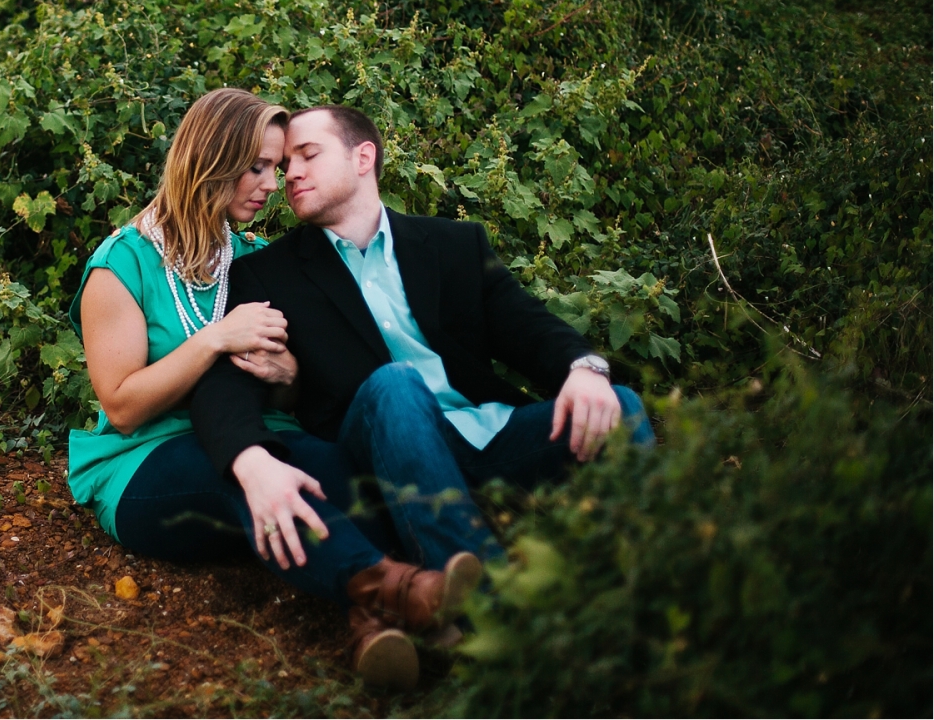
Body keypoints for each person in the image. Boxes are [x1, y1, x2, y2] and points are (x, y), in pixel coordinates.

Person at [69, 89, 480, 691]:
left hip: (261, 434)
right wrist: (215, 340)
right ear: (210, 159)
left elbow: (289, 397)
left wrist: (287, 377)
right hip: (145, 462)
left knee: (333, 468)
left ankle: (374, 614)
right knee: (245, 472)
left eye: (278, 166)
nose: (273, 183)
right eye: (257, 166)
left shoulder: (255, 259)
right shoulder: (120, 266)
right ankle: (404, 594)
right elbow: (122, 406)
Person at [190, 105, 655, 608]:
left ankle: (658, 585)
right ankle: (489, 612)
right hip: (380, 456)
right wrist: (248, 458)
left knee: (622, 407)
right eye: (285, 167)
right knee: (396, 383)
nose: (291, 174)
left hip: (488, 438)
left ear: (362, 156)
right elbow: (228, 383)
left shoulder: (454, 244)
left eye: (308, 155)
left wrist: (584, 370)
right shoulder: (269, 275)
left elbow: (528, 326)